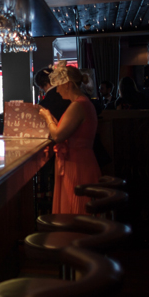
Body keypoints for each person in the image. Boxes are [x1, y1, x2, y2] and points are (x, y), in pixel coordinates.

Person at [38, 62, 101, 214]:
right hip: (80, 160)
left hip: (77, 164)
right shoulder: (83, 103)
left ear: (67, 84)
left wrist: (47, 117)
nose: (57, 91)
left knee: (76, 210)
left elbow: (58, 135)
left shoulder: (78, 105)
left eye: (58, 86)